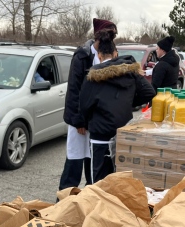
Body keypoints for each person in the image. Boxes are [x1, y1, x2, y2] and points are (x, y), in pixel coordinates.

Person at [79, 31, 156, 183]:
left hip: (100, 134)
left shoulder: (92, 76)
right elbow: (149, 92)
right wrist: (126, 102)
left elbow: (84, 105)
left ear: (99, 56)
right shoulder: (130, 72)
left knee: (99, 183)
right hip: (123, 133)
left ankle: (100, 206)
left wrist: (86, 121)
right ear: (115, 54)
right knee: (121, 180)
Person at [58, 18, 117, 193]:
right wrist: (79, 121)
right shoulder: (82, 55)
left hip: (98, 122)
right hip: (80, 122)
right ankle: (64, 198)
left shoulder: (112, 53)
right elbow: (74, 91)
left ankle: (90, 198)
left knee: (94, 163)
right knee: (75, 160)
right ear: (98, 38)